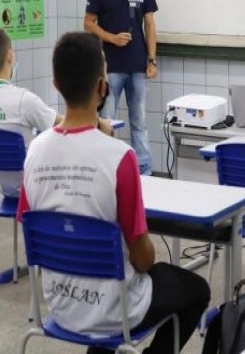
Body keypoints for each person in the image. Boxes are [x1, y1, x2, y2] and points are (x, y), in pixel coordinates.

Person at [17, 32, 210, 354]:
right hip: (115, 311)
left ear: (55, 83)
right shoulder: (119, 157)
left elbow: (29, 224)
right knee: (195, 289)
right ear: (102, 87)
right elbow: (142, 257)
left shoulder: (35, 151)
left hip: (60, 306)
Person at [84, 0, 157, 176]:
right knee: (107, 121)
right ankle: (107, 171)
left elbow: (149, 24)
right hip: (110, 67)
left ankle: (144, 172)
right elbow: (89, 23)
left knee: (140, 124)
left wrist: (152, 60)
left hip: (137, 65)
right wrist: (111, 38)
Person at [0, 27, 63, 197]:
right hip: (36, 190)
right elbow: (67, 123)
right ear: (9, 55)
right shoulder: (23, 100)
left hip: (5, 189)